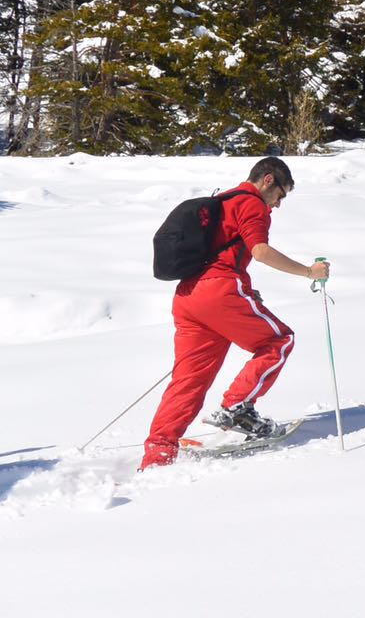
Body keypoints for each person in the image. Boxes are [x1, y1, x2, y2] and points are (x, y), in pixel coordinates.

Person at [140, 157, 330, 471]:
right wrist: (310, 271)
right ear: (268, 180)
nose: (278, 205)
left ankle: (158, 453)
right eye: (280, 195)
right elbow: (260, 251)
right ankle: (237, 407)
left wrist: (241, 291)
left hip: (189, 296)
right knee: (279, 340)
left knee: (189, 380)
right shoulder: (252, 204)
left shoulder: (222, 200)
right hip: (219, 291)